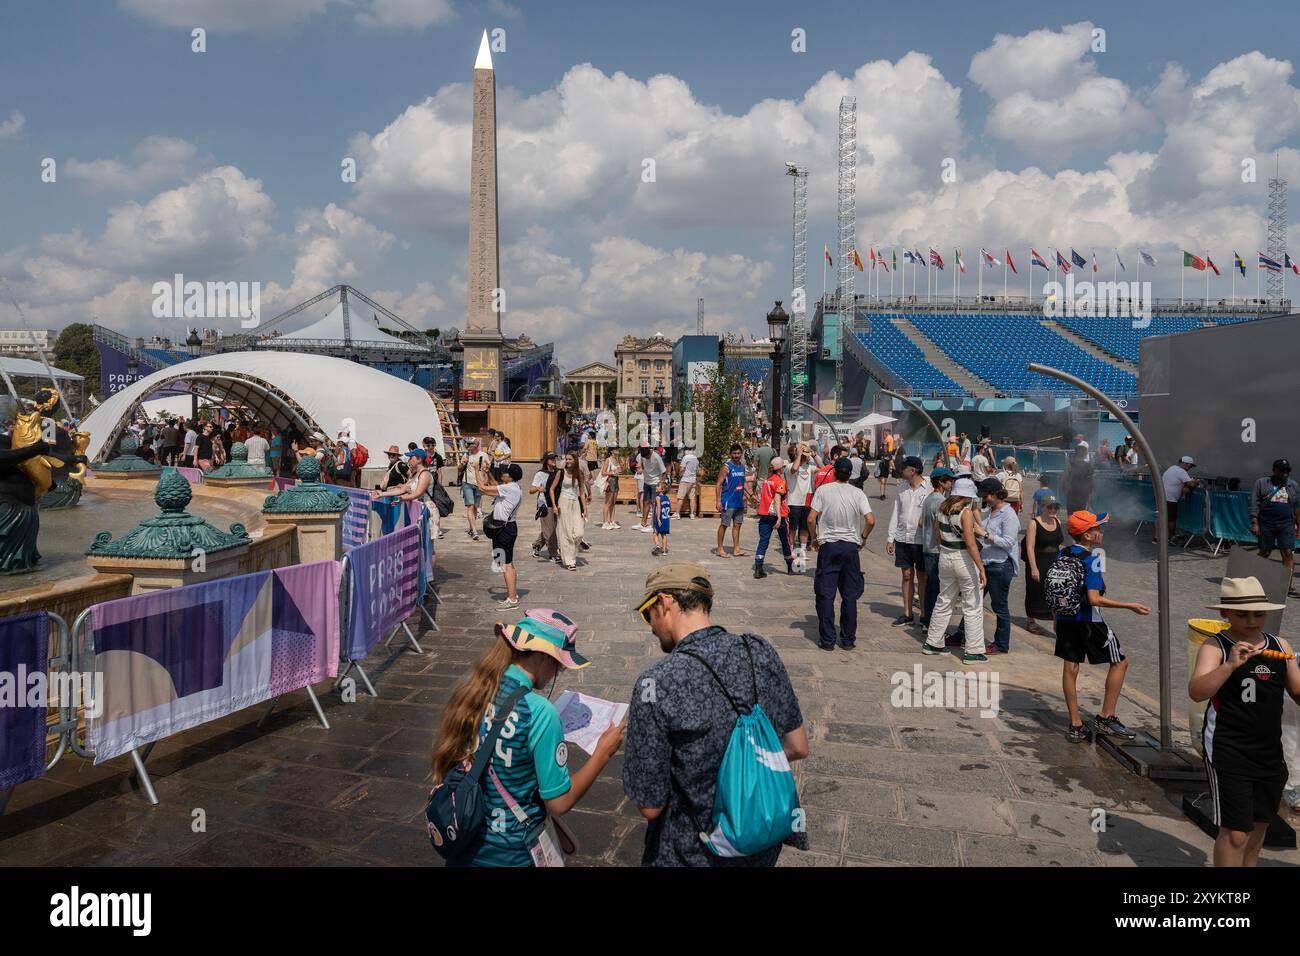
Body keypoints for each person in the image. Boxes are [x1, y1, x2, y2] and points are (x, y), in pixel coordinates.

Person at [623, 564, 809, 866]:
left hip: (692, 852)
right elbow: (799, 746)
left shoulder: (656, 683)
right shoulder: (759, 651)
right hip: (760, 841)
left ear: (665, 602)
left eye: (647, 613)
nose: (650, 625)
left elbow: (650, 805)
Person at [431, 610, 623, 867]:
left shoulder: (471, 687)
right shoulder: (540, 713)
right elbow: (559, 803)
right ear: (544, 657)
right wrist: (603, 753)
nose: (558, 672)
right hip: (512, 854)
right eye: (559, 663)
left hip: (464, 844)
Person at [1189, 578, 1298, 867]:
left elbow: (1298, 692)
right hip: (1228, 748)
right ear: (1226, 614)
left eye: (1258, 614)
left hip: (1268, 752)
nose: (1252, 621)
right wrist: (1230, 666)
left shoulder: (1280, 646)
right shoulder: (1216, 647)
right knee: (1236, 833)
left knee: (1259, 828)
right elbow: (1197, 692)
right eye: (1242, 614)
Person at [1054, 510, 1147, 741]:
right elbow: (1094, 599)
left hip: (1066, 619)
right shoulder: (1092, 560)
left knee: (1071, 667)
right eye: (1097, 529)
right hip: (1089, 620)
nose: (1101, 532)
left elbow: (1057, 590)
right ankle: (1106, 717)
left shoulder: (1062, 554)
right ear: (1087, 535)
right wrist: (1129, 605)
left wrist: (1056, 619)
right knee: (1120, 661)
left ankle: (1075, 724)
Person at [807, 457, 875, 650]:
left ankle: (828, 640)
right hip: (850, 547)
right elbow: (870, 520)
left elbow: (811, 519)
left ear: (834, 472)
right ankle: (847, 639)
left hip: (829, 546)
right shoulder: (857, 493)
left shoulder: (823, 491)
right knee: (850, 595)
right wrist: (863, 537)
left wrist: (815, 538)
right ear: (850, 474)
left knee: (825, 595)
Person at [921, 477, 988, 665]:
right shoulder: (965, 512)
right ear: (967, 496)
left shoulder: (942, 508)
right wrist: (981, 567)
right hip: (963, 559)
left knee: (944, 600)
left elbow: (936, 533)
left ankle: (933, 642)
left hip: (945, 556)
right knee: (973, 604)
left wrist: (944, 549)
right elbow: (970, 542)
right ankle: (973, 651)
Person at [975, 477, 1019, 656]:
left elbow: (1008, 542)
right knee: (974, 602)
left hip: (1000, 566)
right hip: (986, 564)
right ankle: (962, 634)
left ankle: (1001, 644)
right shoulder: (990, 512)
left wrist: (984, 534)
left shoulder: (1008, 515)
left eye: (986, 496)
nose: (984, 499)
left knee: (999, 607)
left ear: (994, 494)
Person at [885, 456, 930, 627]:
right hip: (903, 537)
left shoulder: (929, 488)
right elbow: (897, 513)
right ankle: (907, 613)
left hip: (920, 540)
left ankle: (925, 614)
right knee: (906, 575)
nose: (900, 470)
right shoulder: (902, 488)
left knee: (922, 577)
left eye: (903, 468)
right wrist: (891, 537)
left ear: (913, 471)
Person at [477, 460, 523, 610]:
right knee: (508, 562)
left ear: (510, 476)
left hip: (504, 530)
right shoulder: (510, 487)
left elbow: (483, 488)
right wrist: (487, 472)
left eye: (505, 472)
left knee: (505, 564)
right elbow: (493, 484)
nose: (502, 473)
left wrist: (474, 471)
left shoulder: (510, 489)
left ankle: (512, 600)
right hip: (507, 528)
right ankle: (513, 594)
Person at [1249, 459, 1300, 593]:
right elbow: (1254, 503)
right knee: (1265, 552)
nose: (1285, 474)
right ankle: (1254, 579)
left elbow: (1296, 506)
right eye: (1282, 470)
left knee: (1287, 554)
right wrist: (1255, 523)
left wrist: (1299, 525)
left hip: (1286, 524)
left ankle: (1286, 586)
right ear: (1274, 470)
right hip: (1266, 524)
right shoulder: (1261, 483)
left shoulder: (1293, 485)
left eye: (1287, 471)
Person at [918, 468, 955, 630]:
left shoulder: (928, 499)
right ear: (941, 482)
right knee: (937, 589)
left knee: (930, 586)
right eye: (949, 480)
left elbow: (920, 523)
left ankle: (926, 619)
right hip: (936, 550)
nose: (952, 483)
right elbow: (938, 527)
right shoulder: (941, 501)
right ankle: (932, 623)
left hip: (927, 547)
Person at [1023, 495, 1063, 636]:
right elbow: (1029, 547)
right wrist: (1034, 567)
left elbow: (1059, 543)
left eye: (1055, 507)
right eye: (1050, 506)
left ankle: (1057, 623)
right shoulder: (1034, 523)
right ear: (1042, 507)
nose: (1053, 509)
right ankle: (1031, 620)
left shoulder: (1057, 521)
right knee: (1035, 590)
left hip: (1054, 561)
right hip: (1038, 560)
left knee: (1055, 591)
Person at [754, 456, 793, 578]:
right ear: (780, 469)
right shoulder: (780, 482)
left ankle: (758, 567)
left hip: (765, 515)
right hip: (777, 516)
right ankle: (790, 566)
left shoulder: (767, 479)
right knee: (785, 541)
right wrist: (780, 517)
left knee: (763, 541)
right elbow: (777, 499)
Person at [714, 443, 753, 557]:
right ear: (730, 454)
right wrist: (718, 501)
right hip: (728, 502)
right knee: (724, 525)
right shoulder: (726, 467)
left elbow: (743, 482)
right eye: (734, 453)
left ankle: (736, 549)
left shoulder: (741, 466)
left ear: (741, 454)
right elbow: (718, 484)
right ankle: (720, 548)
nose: (736, 455)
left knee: (737, 525)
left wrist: (751, 495)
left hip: (739, 502)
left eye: (738, 453)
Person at [554, 452, 589, 571]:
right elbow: (552, 489)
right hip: (563, 502)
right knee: (566, 532)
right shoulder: (560, 472)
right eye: (566, 459)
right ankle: (570, 561)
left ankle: (568, 551)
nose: (567, 461)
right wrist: (554, 506)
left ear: (575, 460)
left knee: (579, 532)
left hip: (575, 504)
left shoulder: (579, 474)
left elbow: (582, 493)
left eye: (570, 459)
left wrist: (585, 509)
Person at [785, 443, 816, 554]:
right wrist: (799, 455)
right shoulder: (789, 466)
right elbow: (794, 469)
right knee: (793, 527)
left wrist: (814, 455)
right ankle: (791, 549)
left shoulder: (809, 467)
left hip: (807, 501)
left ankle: (802, 550)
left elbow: (824, 469)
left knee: (804, 528)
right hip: (794, 502)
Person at [1159, 454, 1199, 544]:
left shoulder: (1172, 468)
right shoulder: (1181, 471)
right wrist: (1197, 482)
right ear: (1187, 464)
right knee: (1171, 519)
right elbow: (1191, 484)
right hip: (1170, 498)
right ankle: (1171, 538)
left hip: (1162, 496)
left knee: (1161, 517)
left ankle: (1158, 537)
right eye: (1191, 466)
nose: (1190, 468)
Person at [532, 452, 561, 562]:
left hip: (555, 502)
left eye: (555, 458)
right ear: (546, 460)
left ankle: (537, 545)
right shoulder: (540, 474)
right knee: (549, 530)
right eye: (551, 459)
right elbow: (531, 490)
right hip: (544, 503)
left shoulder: (558, 472)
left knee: (550, 528)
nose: (554, 460)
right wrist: (538, 489)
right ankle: (553, 554)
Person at [375, 445, 410, 536]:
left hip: (396, 495)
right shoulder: (391, 465)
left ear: (397, 456)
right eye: (389, 455)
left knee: (396, 519)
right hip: (390, 495)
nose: (391, 456)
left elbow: (410, 475)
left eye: (393, 455)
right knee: (389, 519)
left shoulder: (400, 464)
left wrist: (405, 485)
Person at [462, 437, 489, 540]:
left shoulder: (483, 455)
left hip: (479, 484)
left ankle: (470, 527)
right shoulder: (466, 455)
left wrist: (486, 475)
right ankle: (474, 530)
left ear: (476, 445)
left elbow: (488, 468)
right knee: (470, 506)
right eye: (467, 444)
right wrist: (463, 463)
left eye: (470, 444)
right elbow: (459, 469)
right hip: (467, 483)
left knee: (475, 508)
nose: (467, 446)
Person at [636, 444, 666, 533]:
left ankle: (653, 525)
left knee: (655, 504)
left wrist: (661, 484)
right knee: (645, 502)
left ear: (649, 451)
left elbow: (664, 472)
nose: (647, 458)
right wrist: (642, 470)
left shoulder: (656, 457)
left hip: (655, 483)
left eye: (647, 456)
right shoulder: (643, 455)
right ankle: (643, 523)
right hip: (646, 481)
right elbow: (643, 465)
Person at [1063, 443, 1094, 514]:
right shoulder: (1088, 466)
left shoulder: (1070, 464)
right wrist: (1090, 493)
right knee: (1081, 514)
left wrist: (1064, 487)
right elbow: (1091, 482)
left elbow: (1064, 478)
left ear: (1076, 453)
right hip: (1084, 494)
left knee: (1071, 514)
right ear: (1085, 454)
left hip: (1072, 493)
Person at [674, 443, 699, 519]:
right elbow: (697, 470)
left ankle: (677, 513)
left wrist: (679, 475)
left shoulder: (685, 458)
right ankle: (692, 514)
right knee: (692, 498)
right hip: (693, 480)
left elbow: (682, 469)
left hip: (685, 479)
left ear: (687, 450)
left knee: (680, 497)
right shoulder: (696, 458)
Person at [601, 447, 623, 529]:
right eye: (616, 449)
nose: (618, 451)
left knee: (613, 503)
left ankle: (612, 521)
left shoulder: (617, 460)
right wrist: (613, 472)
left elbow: (619, 470)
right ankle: (605, 522)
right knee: (608, 503)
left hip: (616, 481)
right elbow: (603, 472)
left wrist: (620, 470)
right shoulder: (608, 460)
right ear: (612, 451)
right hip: (610, 482)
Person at [651, 478, 672, 557]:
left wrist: (658, 518)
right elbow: (669, 508)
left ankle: (657, 545)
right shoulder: (667, 498)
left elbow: (658, 508)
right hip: (666, 518)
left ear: (662, 489)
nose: (656, 487)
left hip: (660, 518)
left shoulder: (658, 498)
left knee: (655, 532)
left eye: (658, 486)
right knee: (664, 534)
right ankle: (664, 550)